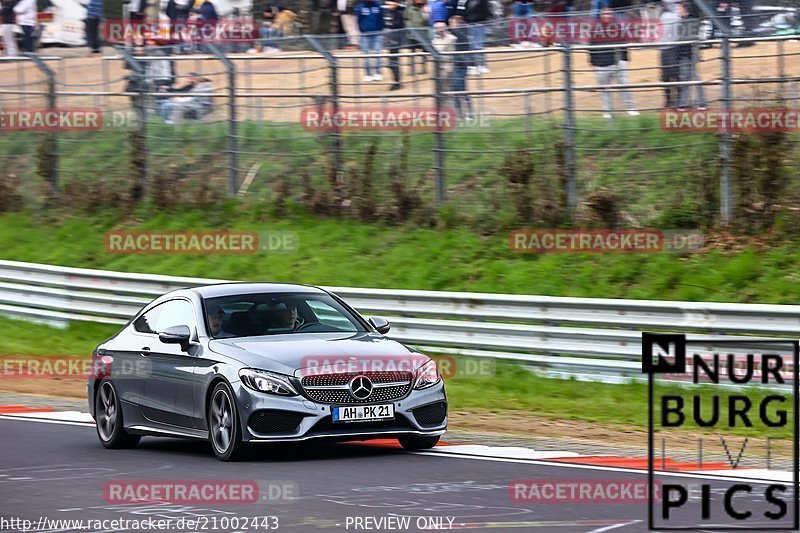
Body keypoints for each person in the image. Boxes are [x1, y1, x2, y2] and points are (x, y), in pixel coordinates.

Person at [589, 6, 638, 119]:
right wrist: (593, 63)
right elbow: (591, 47)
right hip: (601, 64)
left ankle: (631, 109)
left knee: (624, 86)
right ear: (601, 16)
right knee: (605, 90)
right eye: (605, 14)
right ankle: (607, 112)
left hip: (617, 63)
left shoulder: (618, 27)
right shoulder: (595, 28)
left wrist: (625, 60)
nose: (607, 16)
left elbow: (624, 44)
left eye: (609, 14)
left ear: (612, 15)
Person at [676, 0, 706, 110]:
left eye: (680, 9)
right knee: (685, 78)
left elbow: (687, 38)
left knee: (693, 77)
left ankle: (701, 102)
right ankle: (684, 103)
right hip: (684, 54)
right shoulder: (681, 21)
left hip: (690, 53)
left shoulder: (691, 22)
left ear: (686, 10)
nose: (678, 10)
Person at [454, 0, 491, 75]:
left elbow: (485, 11)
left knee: (478, 45)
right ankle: (472, 66)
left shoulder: (482, 2)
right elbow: (463, 12)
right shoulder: (467, 1)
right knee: (471, 45)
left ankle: (480, 65)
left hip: (479, 24)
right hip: (470, 24)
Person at [448, 15, 472, 118]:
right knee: (456, 88)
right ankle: (460, 112)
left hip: (460, 65)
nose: (450, 25)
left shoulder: (460, 35)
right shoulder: (455, 34)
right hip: (455, 65)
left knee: (460, 88)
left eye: (451, 23)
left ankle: (468, 113)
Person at [355, 0, 384, 82]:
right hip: (365, 34)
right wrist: (362, 30)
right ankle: (367, 73)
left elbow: (381, 18)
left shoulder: (378, 5)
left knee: (378, 53)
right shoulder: (360, 6)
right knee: (366, 55)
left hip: (377, 33)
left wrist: (380, 29)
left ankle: (378, 72)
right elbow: (359, 20)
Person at [660, 4, 680, 109]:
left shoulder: (675, 15)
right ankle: (669, 100)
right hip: (665, 48)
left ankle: (674, 100)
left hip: (672, 48)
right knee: (666, 76)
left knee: (673, 75)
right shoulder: (664, 15)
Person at [383, 0, 404, 90]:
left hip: (395, 41)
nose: (389, 5)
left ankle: (397, 82)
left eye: (391, 3)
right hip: (388, 40)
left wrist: (391, 24)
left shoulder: (399, 14)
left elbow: (400, 25)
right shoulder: (387, 13)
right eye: (388, 4)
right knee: (391, 62)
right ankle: (396, 81)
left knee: (393, 62)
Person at [403, 0, 428, 75]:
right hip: (412, 34)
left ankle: (424, 68)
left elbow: (426, 21)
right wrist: (412, 30)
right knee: (412, 52)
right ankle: (411, 69)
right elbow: (406, 20)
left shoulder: (424, 9)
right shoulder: (409, 9)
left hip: (423, 34)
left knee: (424, 52)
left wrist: (425, 13)